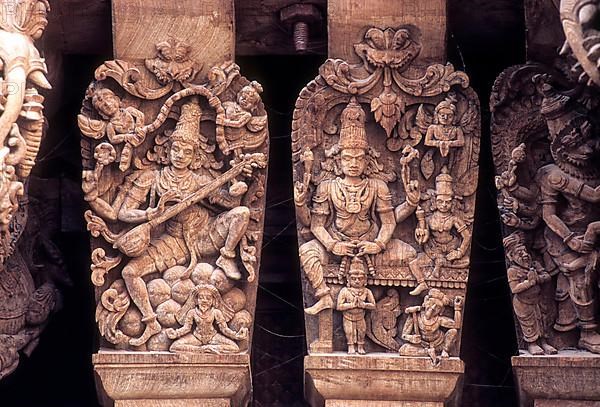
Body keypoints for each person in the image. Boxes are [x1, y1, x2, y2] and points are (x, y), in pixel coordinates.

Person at [117, 98, 254, 346]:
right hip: (172, 240)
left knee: (242, 214)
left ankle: (226, 254)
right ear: (167, 150)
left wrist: (234, 193)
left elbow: (228, 205)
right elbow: (123, 213)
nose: (181, 156)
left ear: (194, 155)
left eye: (187, 152)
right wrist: (151, 213)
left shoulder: (199, 180)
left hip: (202, 234)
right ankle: (150, 321)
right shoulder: (152, 178)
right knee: (129, 271)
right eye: (176, 150)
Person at [299, 97, 419, 315]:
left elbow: (389, 221)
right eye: (347, 159)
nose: (353, 164)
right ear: (338, 161)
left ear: (367, 161)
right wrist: (333, 246)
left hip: (370, 246)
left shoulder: (377, 186)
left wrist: (378, 244)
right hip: (336, 245)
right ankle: (323, 295)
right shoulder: (327, 187)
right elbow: (317, 225)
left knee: (411, 254)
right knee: (306, 251)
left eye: (358, 159)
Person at [408, 167, 471, 296]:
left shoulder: (454, 219)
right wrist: (420, 224)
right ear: (435, 202)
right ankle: (421, 283)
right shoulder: (429, 219)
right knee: (413, 263)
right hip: (433, 250)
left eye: (447, 202)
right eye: (440, 202)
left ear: (452, 203)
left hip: (450, 249)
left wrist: (459, 252)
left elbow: (467, 235)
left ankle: (442, 264)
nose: (443, 205)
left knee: (467, 262)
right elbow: (422, 239)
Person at [504, 232, 557, 355]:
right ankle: (532, 344)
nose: (524, 255)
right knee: (529, 324)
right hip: (523, 303)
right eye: (519, 253)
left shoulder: (534, 265)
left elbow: (547, 276)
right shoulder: (512, 271)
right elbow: (514, 289)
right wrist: (529, 282)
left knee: (542, 321)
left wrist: (538, 278)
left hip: (537, 300)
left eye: (525, 252)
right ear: (511, 257)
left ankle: (544, 342)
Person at [165, 284, 247, 354]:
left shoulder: (216, 312)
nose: (204, 301)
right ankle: (202, 350)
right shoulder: (192, 312)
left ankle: (210, 348)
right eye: (201, 298)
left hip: (213, 337)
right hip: (196, 337)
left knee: (234, 348)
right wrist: (176, 333)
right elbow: (187, 328)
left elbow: (224, 329)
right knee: (174, 347)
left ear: (213, 301)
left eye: (208, 298)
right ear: (196, 300)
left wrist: (236, 335)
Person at [336, 258, 376, 354]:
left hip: (360, 316)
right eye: (354, 279)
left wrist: (364, 305)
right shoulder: (345, 291)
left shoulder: (367, 291)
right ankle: (350, 346)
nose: (357, 281)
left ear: (365, 280)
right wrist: (351, 305)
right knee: (349, 332)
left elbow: (373, 305)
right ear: (348, 279)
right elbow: (339, 306)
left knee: (362, 331)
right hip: (348, 316)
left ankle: (360, 347)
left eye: (360, 279)